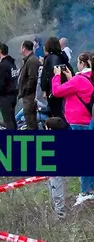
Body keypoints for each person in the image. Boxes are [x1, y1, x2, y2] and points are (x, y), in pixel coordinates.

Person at [50, 52, 94, 206]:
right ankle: (90, 189)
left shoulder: (79, 79)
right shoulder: (88, 78)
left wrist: (56, 76)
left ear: (83, 63)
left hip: (78, 122)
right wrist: (71, 78)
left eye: (78, 62)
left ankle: (85, 192)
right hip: (88, 120)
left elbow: (57, 91)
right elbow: (82, 92)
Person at [42, 36, 71, 121]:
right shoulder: (62, 56)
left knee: (56, 113)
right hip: (64, 87)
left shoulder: (50, 58)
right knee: (62, 111)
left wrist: (45, 89)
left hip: (54, 90)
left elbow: (47, 75)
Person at [0, 42, 20, 130]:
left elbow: (1, 83)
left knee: (8, 121)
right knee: (12, 119)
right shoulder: (12, 64)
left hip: (5, 96)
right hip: (13, 95)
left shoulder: (3, 65)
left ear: (0, 51)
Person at [18, 40, 41, 130]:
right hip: (27, 95)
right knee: (28, 119)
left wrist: (25, 91)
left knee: (30, 120)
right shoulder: (29, 60)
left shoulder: (32, 61)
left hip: (30, 96)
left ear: (24, 48)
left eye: (21, 47)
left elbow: (32, 78)